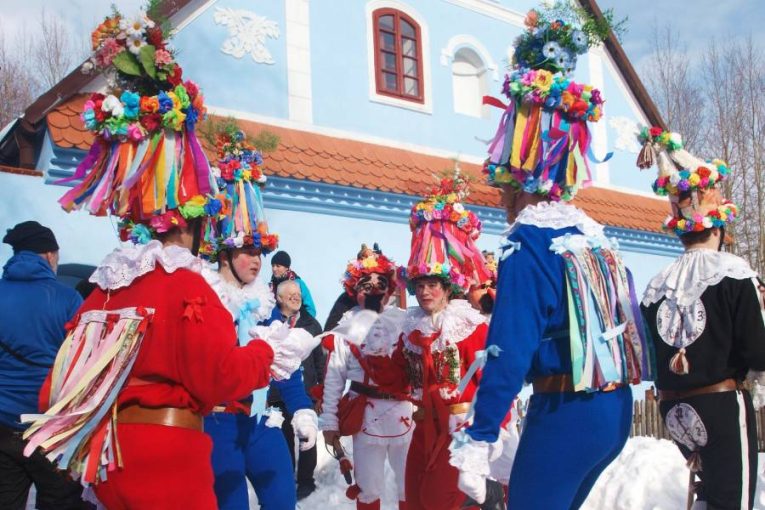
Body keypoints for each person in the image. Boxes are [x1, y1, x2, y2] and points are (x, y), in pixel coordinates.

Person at [22, 10, 311, 509]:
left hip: (111, 464)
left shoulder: (105, 287)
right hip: (170, 464)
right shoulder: (186, 285)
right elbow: (219, 376)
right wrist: (267, 352)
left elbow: (54, 390)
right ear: (194, 222)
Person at [450, 8, 651, 508]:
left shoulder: (529, 242)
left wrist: (481, 434)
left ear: (516, 172)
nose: (499, 196)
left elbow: (511, 344)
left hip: (566, 409)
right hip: (614, 410)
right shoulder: (593, 235)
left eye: (501, 184)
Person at [637, 128, 765, 509]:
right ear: (719, 226)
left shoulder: (657, 285)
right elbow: (758, 353)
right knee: (733, 502)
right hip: (720, 407)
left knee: (708, 497)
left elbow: (648, 357)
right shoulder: (733, 273)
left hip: (675, 413)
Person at [201, 126, 319, 510]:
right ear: (224, 252)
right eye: (247, 251)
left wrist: (301, 408)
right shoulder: (205, 300)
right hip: (217, 424)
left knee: (283, 500)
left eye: (259, 253)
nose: (256, 261)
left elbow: (283, 364)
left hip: (259, 421)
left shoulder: (264, 305)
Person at [394, 174, 496, 510]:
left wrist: (489, 432)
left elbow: (495, 382)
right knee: (412, 498)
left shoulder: (468, 327)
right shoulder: (410, 330)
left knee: (441, 500)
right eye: (419, 285)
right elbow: (396, 378)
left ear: (448, 287)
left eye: (433, 284)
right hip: (423, 428)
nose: (425, 292)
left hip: (459, 431)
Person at [0, 221, 90, 510]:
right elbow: (83, 363)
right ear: (50, 255)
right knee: (61, 502)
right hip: (49, 429)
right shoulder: (68, 299)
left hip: (2, 425)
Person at [320, 247, 411, 510]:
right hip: (365, 416)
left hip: (404, 413)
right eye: (366, 285)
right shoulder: (346, 326)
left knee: (409, 485)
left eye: (380, 284)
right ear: (354, 290)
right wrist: (330, 422)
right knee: (368, 488)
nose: (374, 291)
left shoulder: (405, 322)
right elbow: (334, 378)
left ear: (390, 290)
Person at [269, 279, 325, 500]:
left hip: (306, 389)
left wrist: (321, 390)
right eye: (290, 293)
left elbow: (320, 361)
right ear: (279, 298)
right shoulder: (269, 323)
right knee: (282, 439)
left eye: (298, 293)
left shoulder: (311, 324)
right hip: (276, 393)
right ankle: (286, 479)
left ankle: (306, 481)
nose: (296, 296)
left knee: (306, 435)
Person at [270, 250, 317, 317]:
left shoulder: (298, 284)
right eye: (273, 266)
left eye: (278, 266)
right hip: (277, 322)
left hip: (299, 321)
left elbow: (311, 309)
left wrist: (302, 321)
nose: (274, 269)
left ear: (286, 268)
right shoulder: (271, 287)